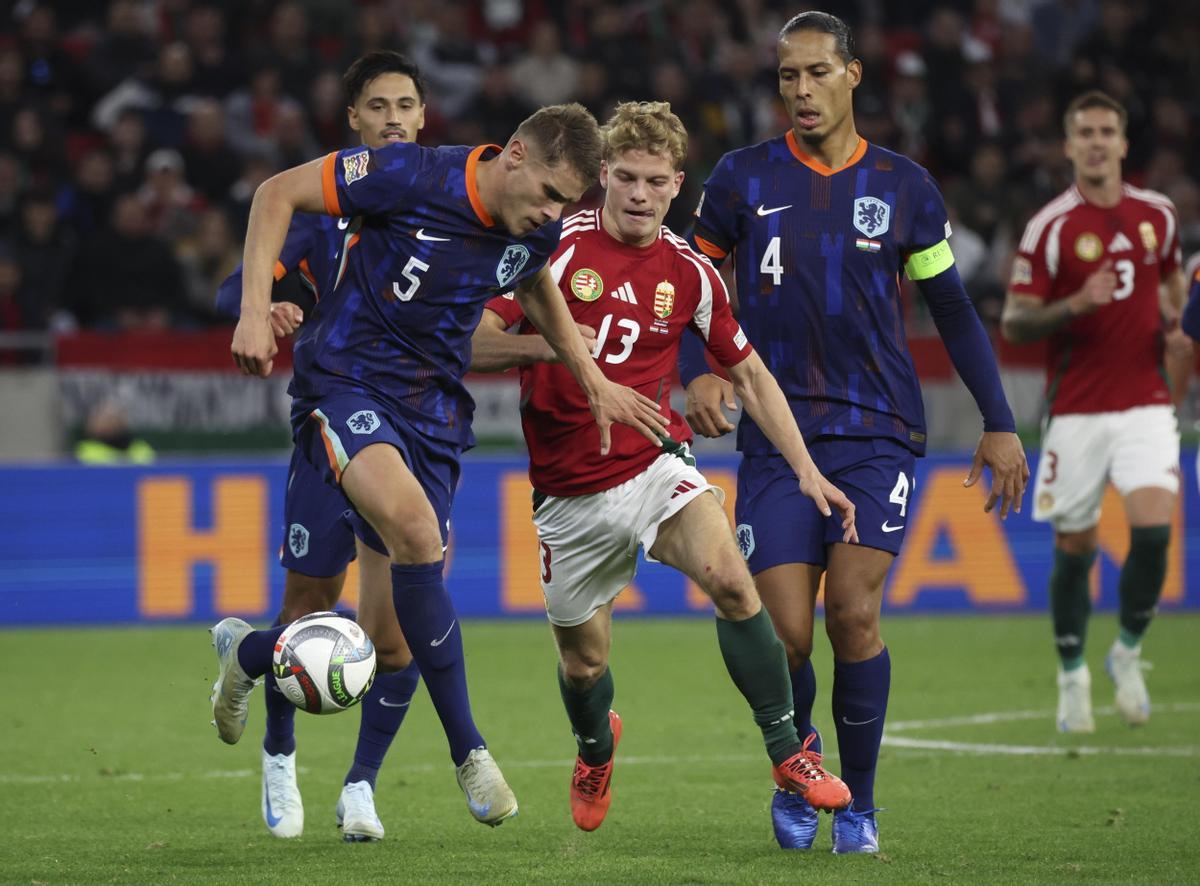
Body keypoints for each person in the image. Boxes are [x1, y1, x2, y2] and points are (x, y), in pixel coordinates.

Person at [212, 100, 671, 831]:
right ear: (515, 154)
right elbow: (277, 193)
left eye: (567, 203)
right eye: (551, 193)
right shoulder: (407, 173)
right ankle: (470, 751)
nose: (554, 213)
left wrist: (591, 378)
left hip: (434, 417)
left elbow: (534, 282)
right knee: (418, 535)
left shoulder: (532, 231)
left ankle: (249, 652)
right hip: (346, 384)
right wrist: (252, 309)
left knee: (389, 643)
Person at [679, 11, 1027, 854]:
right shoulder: (740, 178)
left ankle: (859, 807)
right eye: (787, 77)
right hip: (775, 433)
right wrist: (694, 367)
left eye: (816, 74)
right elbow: (685, 277)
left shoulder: (907, 187)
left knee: (855, 618)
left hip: (877, 432)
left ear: (853, 76)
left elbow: (950, 308)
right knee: (788, 633)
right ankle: (801, 769)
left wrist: (999, 422)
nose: (800, 90)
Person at [475, 100, 858, 836]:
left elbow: (748, 375)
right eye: (625, 178)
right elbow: (474, 344)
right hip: (566, 493)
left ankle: (790, 751)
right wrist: (564, 351)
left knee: (732, 580)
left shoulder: (689, 271)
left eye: (655, 181)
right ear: (602, 179)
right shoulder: (553, 246)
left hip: (656, 465)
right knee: (584, 667)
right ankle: (595, 747)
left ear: (677, 184)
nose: (640, 195)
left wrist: (806, 469)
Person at [214, 51, 426, 843]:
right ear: (353, 122)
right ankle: (278, 754)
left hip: (413, 433)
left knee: (392, 640)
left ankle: (362, 787)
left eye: (406, 104)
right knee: (308, 614)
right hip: (330, 431)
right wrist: (271, 305)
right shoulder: (319, 209)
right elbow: (251, 280)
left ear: (425, 116)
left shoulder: (446, 211)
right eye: (378, 106)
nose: (395, 118)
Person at [1000, 90, 1187, 734]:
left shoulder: (1158, 216)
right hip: (1076, 410)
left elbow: (1169, 280)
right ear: (1070, 145)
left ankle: (1127, 652)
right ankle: (1071, 672)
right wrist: (1075, 304)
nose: (1099, 141)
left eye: (1108, 130)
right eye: (1086, 132)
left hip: (1146, 402)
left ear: (1124, 143)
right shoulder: (1050, 227)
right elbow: (1016, 321)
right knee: (1075, 548)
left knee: (1155, 531)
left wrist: (1173, 312)